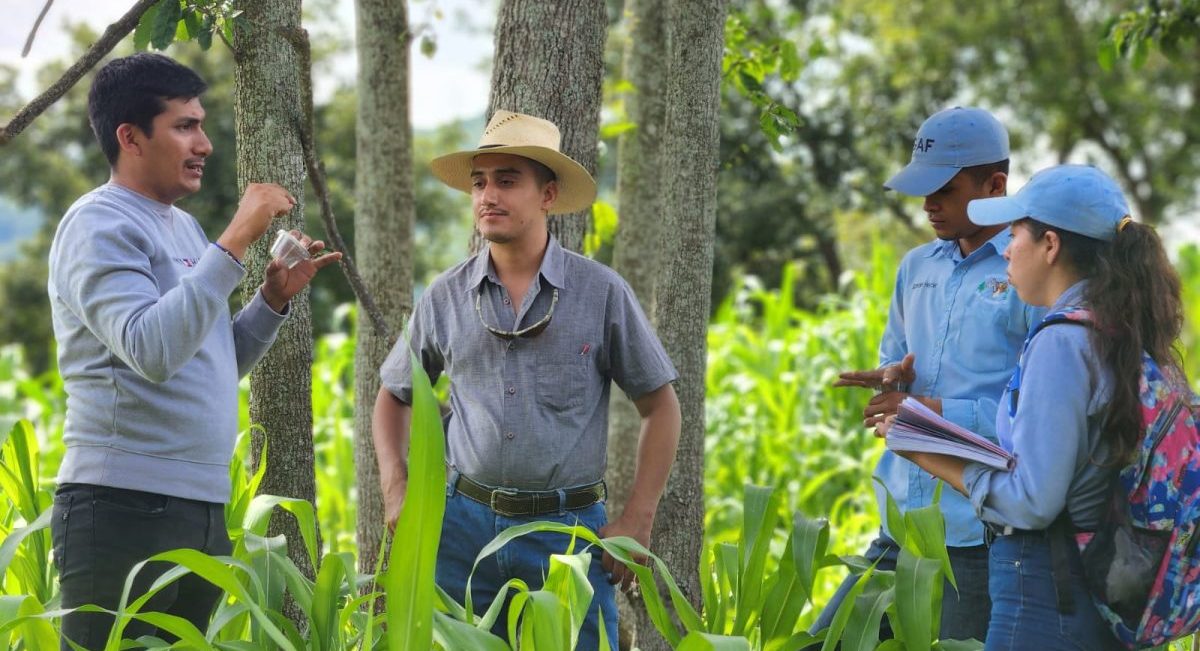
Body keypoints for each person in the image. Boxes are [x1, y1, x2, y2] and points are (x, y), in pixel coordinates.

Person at [47, 52, 340, 649]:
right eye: (185, 126)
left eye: (201, 124)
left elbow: (206, 364)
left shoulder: (180, 227)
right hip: (121, 506)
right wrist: (236, 238)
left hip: (197, 506)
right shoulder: (98, 225)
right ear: (130, 137)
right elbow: (150, 349)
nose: (204, 142)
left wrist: (270, 301)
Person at [373, 110, 681, 650]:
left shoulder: (600, 292)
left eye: (507, 180)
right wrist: (396, 488)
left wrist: (638, 518)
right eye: (479, 182)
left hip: (567, 535)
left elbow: (661, 406)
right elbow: (393, 397)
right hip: (460, 532)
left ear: (548, 195)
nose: (488, 195)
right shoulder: (446, 296)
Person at [895, 164, 1178, 649]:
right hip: (1096, 584)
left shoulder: (1061, 342)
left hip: (1045, 589)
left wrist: (930, 455)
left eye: (1016, 233)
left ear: (1050, 245)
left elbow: (1034, 501)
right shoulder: (1117, 330)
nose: (1005, 247)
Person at [817, 107, 1043, 641]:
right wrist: (893, 381)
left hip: (976, 533)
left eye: (945, 188)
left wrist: (935, 414)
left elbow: (1036, 419)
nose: (928, 204)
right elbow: (896, 357)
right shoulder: (916, 267)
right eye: (923, 189)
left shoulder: (1027, 271)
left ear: (995, 184)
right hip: (900, 521)